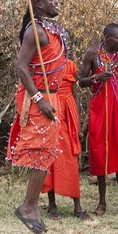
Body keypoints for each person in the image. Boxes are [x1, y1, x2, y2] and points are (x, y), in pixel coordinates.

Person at [7, 0, 68, 234]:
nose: (57, 3)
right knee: (41, 153)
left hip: (52, 96)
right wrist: (39, 99)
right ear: (39, 6)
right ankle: (28, 207)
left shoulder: (51, 29)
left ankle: (30, 206)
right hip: (40, 97)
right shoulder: (36, 31)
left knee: (46, 154)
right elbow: (20, 68)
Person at [79, 23, 118, 218]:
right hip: (100, 109)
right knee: (100, 152)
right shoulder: (92, 53)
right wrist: (96, 77)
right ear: (107, 37)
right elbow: (81, 81)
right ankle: (101, 203)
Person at [41, 59, 92, 221]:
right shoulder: (43, 64)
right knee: (50, 159)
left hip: (68, 116)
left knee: (71, 160)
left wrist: (77, 123)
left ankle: (77, 207)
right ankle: (52, 206)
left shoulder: (70, 65)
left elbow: (75, 94)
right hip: (51, 113)